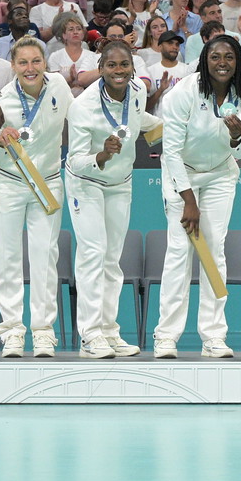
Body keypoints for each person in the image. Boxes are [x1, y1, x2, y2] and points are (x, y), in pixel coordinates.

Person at [157, 32, 241, 359]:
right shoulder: (184, 92)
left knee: (214, 252)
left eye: (229, 57)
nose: (222, 63)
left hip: (221, 175)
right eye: (215, 57)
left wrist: (238, 137)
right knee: (180, 252)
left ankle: (214, 336)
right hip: (181, 174)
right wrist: (189, 201)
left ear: (238, 61)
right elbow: (169, 151)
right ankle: (166, 336)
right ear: (204, 60)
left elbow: (239, 153)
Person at [62, 39, 158, 359]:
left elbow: (140, 123)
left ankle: (108, 330)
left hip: (120, 183)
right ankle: (90, 335)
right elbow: (75, 160)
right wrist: (101, 155)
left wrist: (171, 133)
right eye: (112, 65)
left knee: (111, 259)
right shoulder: (82, 107)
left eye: (124, 65)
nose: (119, 71)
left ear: (133, 67)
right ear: (100, 69)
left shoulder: (138, 93)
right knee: (93, 253)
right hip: (86, 183)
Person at [0, 36, 72, 357]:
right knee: (6, 259)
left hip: (47, 183)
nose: (30, 68)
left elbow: (79, 119)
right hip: (8, 183)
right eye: (23, 62)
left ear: (45, 63)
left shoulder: (60, 87)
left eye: (35, 61)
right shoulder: (1, 100)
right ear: (13, 67)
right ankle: (11, 331)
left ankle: (43, 331)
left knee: (44, 257)